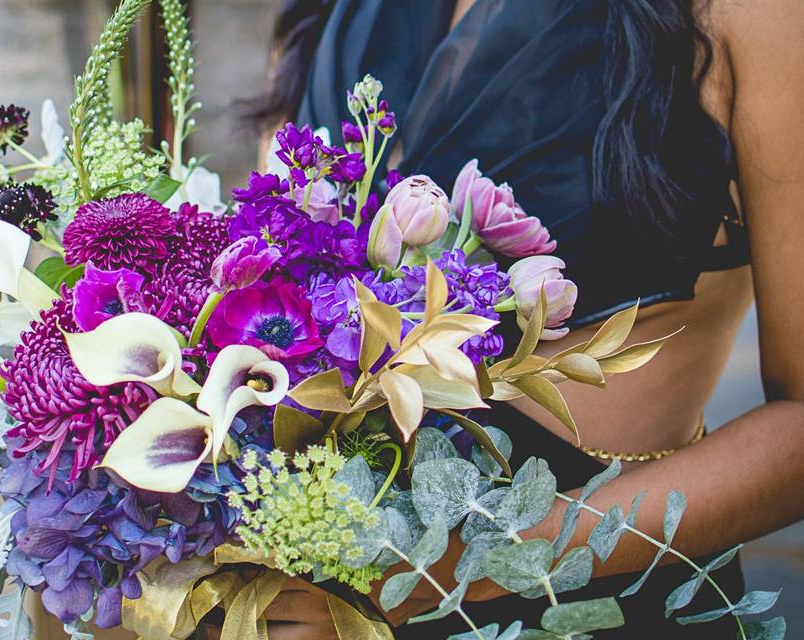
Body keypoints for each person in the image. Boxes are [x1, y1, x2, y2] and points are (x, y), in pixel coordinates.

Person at [209, 1, 804, 638]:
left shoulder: (748, 13)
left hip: (582, 600)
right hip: (317, 590)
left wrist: (468, 563)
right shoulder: (336, 14)